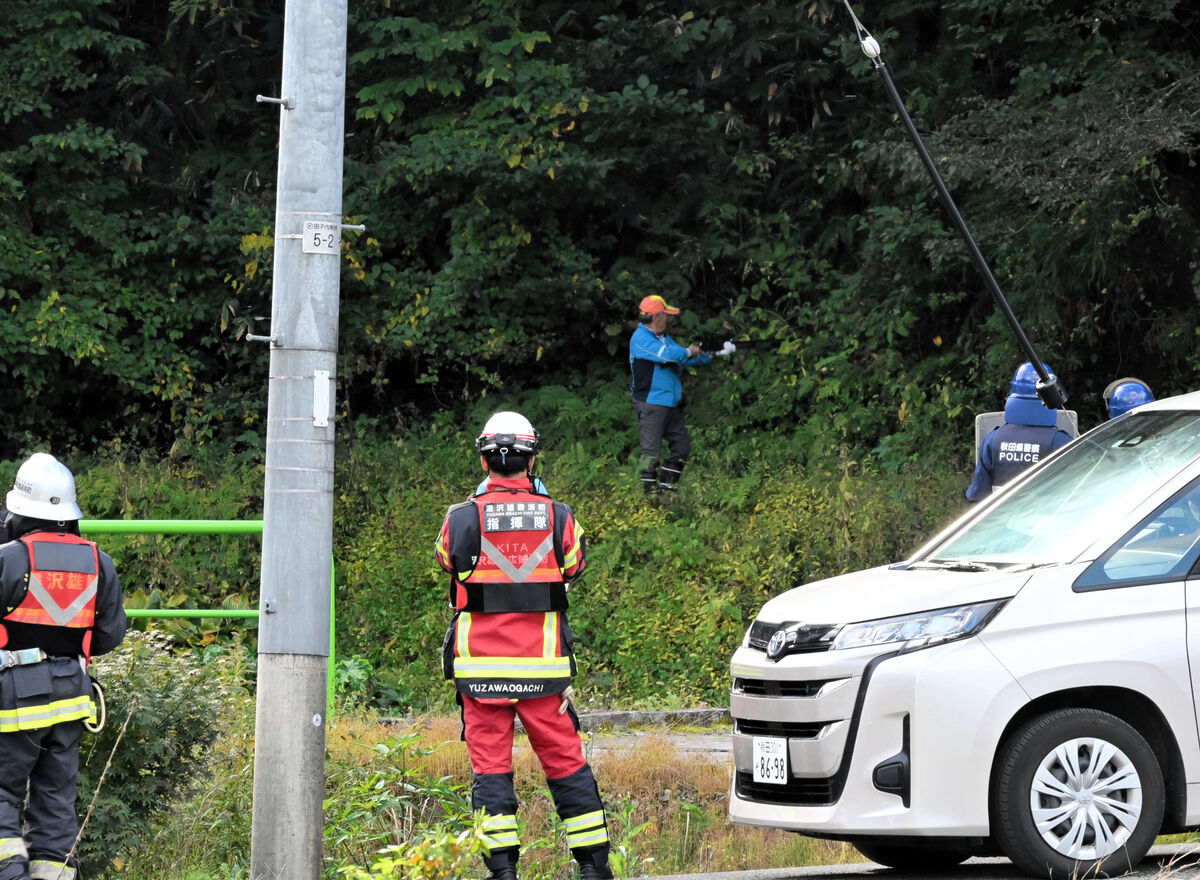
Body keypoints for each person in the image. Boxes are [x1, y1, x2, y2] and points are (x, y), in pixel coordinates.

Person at [434, 412, 613, 880]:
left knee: (490, 772)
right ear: (532, 460)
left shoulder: (460, 518)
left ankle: (502, 872)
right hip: (543, 672)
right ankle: (594, 870)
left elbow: (446, 559)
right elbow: (575, 565)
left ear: (483, 460)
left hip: (480, 673)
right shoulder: (560, 517)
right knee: (567, 765)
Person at [0, 453, 127, 880]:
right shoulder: (99, 562)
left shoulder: (9, 560)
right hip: (73, 697)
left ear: (18, 510)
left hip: (15, 700)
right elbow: (108, 636)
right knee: (55, 802)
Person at [629, 295, 731, 495]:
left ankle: (667, 493)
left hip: (669, 402)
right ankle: (647, 498)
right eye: (665, 315)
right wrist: (690, 350)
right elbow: (668, 354)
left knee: (682, 447)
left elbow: (683, 358)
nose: (668, 319)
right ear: (656, 317)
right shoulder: (640, 338)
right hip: (651, 403)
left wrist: (712, 353)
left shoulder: (663, 337)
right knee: (651, 455)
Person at [965, 362, 1074, 502]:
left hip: (1002, 515)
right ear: (1052, 394)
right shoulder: (1061, 443)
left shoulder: (992, 440)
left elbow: (977, 496)